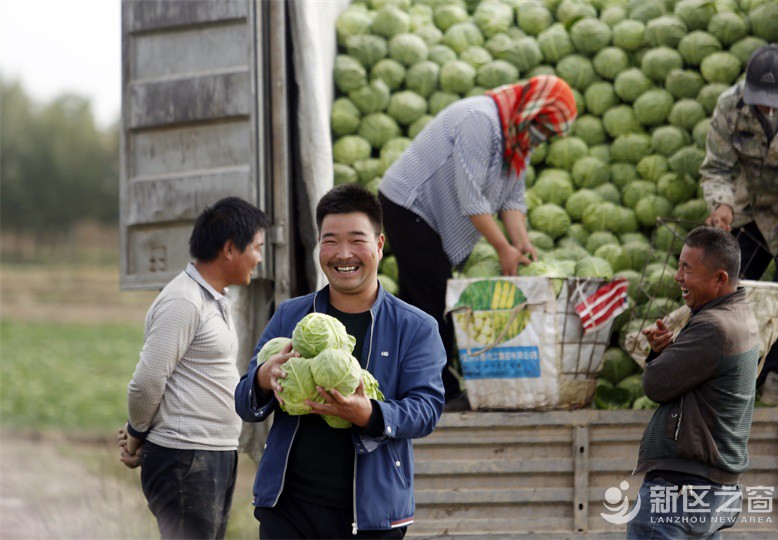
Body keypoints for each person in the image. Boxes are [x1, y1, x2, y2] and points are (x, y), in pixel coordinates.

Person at [235, 184, 446, 539]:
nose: (343, 253)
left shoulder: (415, 326)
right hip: (287, 509)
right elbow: (244, 401)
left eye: (356, 240)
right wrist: (261, 378)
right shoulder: (291, 314)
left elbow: (426, 409)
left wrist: (370, 415)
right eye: (330, 240)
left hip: (371, 518)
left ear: (379, 245)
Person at [377, 74, 577, 411]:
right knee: (433, 301)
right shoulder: (479, 120)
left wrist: (523, 244)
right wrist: (503, 249)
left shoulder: (517, 139)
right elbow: (471, 198)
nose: (542, 138)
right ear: (532, 111)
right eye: (543, 128)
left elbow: (512, 198)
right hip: (408, 205)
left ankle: (399, 383)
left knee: (416, 303)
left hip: (432, 216)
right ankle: (442, 391)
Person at [117, 197, 269, 539]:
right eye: (257, 248)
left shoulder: (211, 298)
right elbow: (148, 380)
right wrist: (137, 434)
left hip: (208, 454)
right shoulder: (183, 301)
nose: (260, 258)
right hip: (185, 459)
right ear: (230, 248)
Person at [700, 43, 778, 406]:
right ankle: (725, 374)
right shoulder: (730, 105)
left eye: (773, 98)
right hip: (746, 209)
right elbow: (717, 167)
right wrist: (721, 205)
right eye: (759, 97)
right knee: (724, 291)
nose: (765, 106)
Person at [627, 226, 759, 539]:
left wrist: (658, 360)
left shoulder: (713, 327)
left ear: (719, 279)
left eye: (688, 268)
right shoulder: (741, 316)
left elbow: (656, 385)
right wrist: (666, 352)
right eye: (679, 265)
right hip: (710, 488)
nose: (678, 276)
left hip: (681, 488)